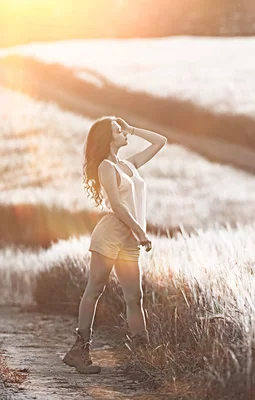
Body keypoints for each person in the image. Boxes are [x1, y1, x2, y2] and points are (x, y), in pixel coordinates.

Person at [63, 116, 167, 374]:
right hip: (111, 236)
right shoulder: (106, 167)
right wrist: (140, 231)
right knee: (94, 290)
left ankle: (142, 357)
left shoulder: (128, 165)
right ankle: (80, 352)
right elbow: (117, 205)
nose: (123, 132)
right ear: (106, 138)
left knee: (135, 297)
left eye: (122, 129)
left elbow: (160, 141)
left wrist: (132, 128)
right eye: (117, 130)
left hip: (129, 241)